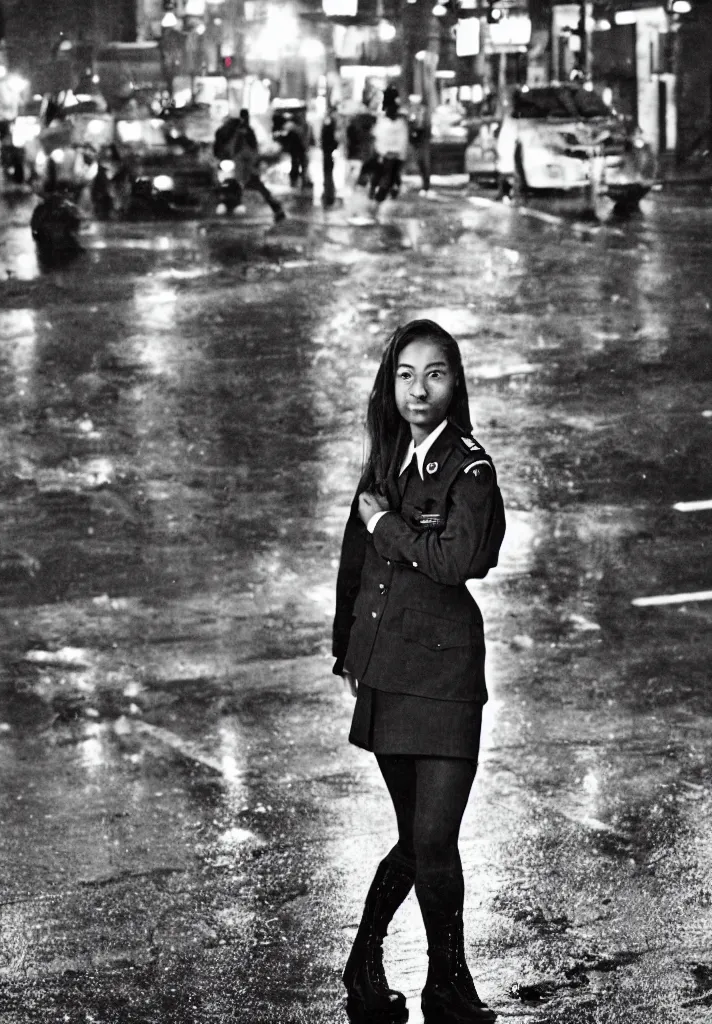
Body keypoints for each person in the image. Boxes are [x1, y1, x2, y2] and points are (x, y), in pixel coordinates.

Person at [333, 318, 505, 1024]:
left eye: (434, 373)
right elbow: (354, 564)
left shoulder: (469, 469)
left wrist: (386, 527)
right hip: (387, 668)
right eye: (405, 374)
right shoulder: (387, 461)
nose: (418, 389)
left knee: (433, 838)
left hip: (444, 674)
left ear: (455, 382)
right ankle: (375, 969)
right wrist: (346, 648)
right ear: (390, 383)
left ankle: (446, 984)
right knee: (418, 838)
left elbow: (455, 561)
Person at [229, 108, 286, 223]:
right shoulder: (246, 131)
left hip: (246, 166)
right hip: (246, 166)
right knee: (249, 187)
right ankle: (276, 208)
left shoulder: (241, 131)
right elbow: (249, 149)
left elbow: (239, 149)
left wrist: (246, 162)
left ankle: (277, 208)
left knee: (250, 186)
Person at [370, 87, 408, 205]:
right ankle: (379, 194)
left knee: (389, 175)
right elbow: (379, 138)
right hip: (388, 154)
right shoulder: (386, 123)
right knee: (386, 175)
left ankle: (380, 195)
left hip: (391, 154)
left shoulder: (395, 123)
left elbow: (402, 140)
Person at [408, 95, 433, 197]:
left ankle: (425, 186)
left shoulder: (423, 111)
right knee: (419, 162)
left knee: (424, 163)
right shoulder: (411, 111)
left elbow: (426, 126)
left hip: (422, 140)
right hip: (416, 141)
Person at [321, 110, 339, 208]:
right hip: (328, 150)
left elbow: (328, 137)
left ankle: (329, 191)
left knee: (327, 170)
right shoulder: (331, 124)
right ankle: (328, 189)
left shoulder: (329, 124)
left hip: (328, 150)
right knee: (328, 171)